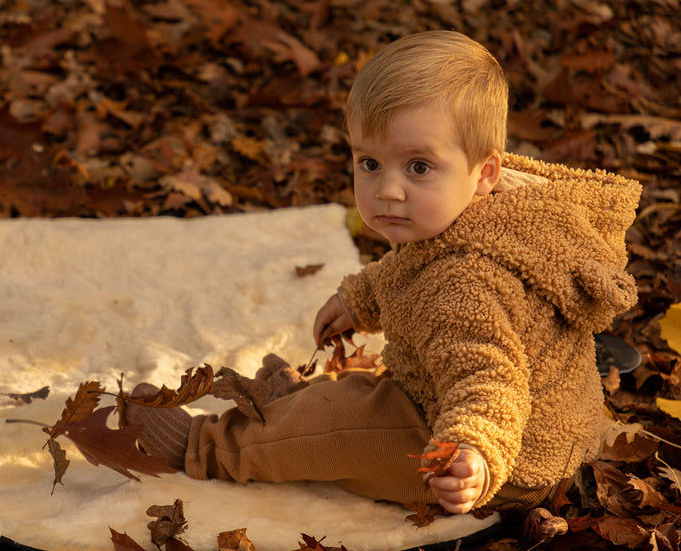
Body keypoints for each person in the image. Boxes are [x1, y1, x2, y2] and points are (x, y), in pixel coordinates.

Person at [123, 30, 641, 514]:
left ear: (484, 172)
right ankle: (292, 408)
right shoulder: (489, 217)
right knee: (351, 395)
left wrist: (474, 453)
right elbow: (411, 267)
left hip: (500, 455)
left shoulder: (465, 284)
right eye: (369, 163)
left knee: (341, 426)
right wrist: (360, 299)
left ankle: (205, 446)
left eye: (418, 167)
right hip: (512, 420)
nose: (387, 190)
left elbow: (488, 378)